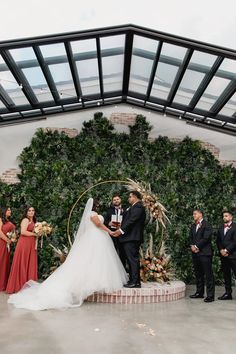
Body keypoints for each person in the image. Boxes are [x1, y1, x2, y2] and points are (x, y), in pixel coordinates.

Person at [8, 198, 128, 310]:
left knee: (95, 261)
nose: (98, 205)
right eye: (98, 204)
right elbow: (98, 225)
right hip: (95, 238)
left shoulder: (91, 215)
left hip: (97, 238)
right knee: (92, 260)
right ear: (95, 205)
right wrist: (110, 232)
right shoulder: (92, 214)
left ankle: (97, 283)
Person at [112, 191, 146, 288]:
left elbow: (132, 220)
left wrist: (121, 230)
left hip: (132, 238)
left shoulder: (138, 207)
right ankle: (133, 280)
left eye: (130, 197)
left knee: (133, 260)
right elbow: (128, 220)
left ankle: (135, 282)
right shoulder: (133, 207)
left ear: (135, 197)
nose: (128, 199)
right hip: (129, 237)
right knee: (130, 260)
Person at [6, 206, 38, 294]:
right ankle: (19, 285)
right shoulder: (25, 220)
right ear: (26, 212)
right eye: (29, 211)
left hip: (31, 244)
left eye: (33, 210)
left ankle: (28, 285)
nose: (31, 212)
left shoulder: (34, 221)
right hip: (24, 244)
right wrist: (35, 234)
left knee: (30, 263)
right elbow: (23, 231)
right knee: (23, 262)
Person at [189, 209, 215, 302]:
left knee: (208, 275)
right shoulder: (193, 225)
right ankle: (199, 293)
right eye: (193, 214)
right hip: (195, 253)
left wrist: (196, 246)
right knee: (198, 274)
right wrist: (192, 246)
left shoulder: (207, 224)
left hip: (205, 253)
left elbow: (206, 238)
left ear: (200, 214)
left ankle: (210, 295)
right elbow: (191, 237)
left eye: (195, 214)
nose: (193, 215)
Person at [217, 210, 236, 300]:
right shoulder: (221, 227)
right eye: (223, 216)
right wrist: (221, 250)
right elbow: (219, 241)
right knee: (226, 275)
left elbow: (235, 242)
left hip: (233, 255)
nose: (224, 217)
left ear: (231, 217)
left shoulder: (235, 227)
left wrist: (226, 250)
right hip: (223, 256)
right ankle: (228, 294)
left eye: (226, 216)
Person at [104, 194, 126, 268]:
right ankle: (112, 268)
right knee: (112, 251)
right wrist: (108, 223)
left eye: (117, 199)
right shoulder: (109, 210)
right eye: (114, 200)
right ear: (112, 201)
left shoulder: (126, 209)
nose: (116, 201)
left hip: (122, 234)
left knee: (123, 252)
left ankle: (123, 269)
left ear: (120, 200)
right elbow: (105, 221)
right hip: (112, 233)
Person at [0, 207, 16, 291]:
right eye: (8, 210)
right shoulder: (0, 220)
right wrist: (7, 240)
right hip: (2, 244)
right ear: (4, 211)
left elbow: (13, 233)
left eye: (10, 210)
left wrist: (13, 238)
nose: (10, 211)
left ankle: (3, 284)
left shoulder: (9, 221)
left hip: (7, 245)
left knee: (5, 263)